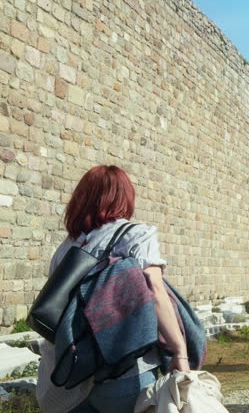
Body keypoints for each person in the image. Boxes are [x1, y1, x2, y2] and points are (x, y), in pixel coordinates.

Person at [36, 165, 191, 413]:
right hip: (123, 373)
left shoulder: (68, 247)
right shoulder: (135, 235)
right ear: (125, 197)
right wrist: (180, 351)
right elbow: (155, 292)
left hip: (66, 373)